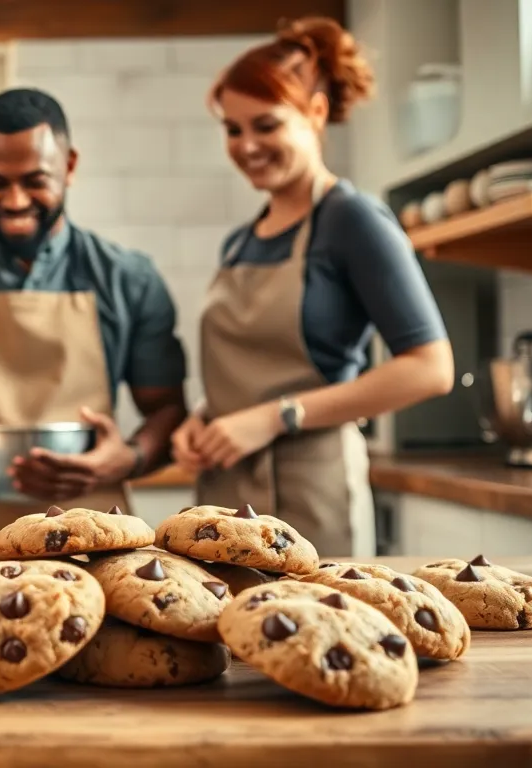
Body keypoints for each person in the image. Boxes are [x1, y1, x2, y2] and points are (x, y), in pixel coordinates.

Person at [171, 17, 455, 557]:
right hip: (223, 498)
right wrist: (201, 418)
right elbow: (252, 373)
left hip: (311, 498)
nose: (247, 145)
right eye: (234, 129)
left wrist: (277, 416)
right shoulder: (239, 241)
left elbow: (431, 366)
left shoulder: (352, 220)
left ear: (316, 114)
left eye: (266, 125)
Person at [0, 87, 189, 532]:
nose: (15, 201)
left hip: (94, 539)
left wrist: (126, 458)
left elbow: (168, 411)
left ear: (70, 166)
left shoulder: (129, 278)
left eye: (34, 181)